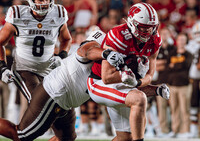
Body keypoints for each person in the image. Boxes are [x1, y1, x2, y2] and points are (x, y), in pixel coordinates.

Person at [0, 28, 170, 141]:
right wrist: (105, 53)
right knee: (20, 134)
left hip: (69, 101)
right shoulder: (102, 46)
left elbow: (130, 89)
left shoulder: (121, 56)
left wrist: (155, 89)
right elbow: (87, 50)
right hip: (55, 93)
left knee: (66, 139)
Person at [87, 2, 166, 141]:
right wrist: (131, 76)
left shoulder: (155, 39)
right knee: (139, 98)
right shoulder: (118, 35)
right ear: (132, 23)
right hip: (99, 82)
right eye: (144, 28)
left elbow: (149, 75)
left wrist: (138, 81)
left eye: (152, 28)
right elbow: (107, 77)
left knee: (124, 139)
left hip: (125, 85)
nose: (149, 33)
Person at [0, 0, 71, 120]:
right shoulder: (18, 14)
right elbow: (0, 42)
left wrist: (62, 55)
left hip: (48, 68)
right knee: (39, 102)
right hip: (24, 68)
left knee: (62, 106)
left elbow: (66, 39)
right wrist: (2, 67)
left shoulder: (58, 13)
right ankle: (21, 134)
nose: (44, 3)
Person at [185, 21, 200, 138]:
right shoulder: (190, 45)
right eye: (197, 33)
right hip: (193, 79)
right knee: (193, 104)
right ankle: (194, 130)